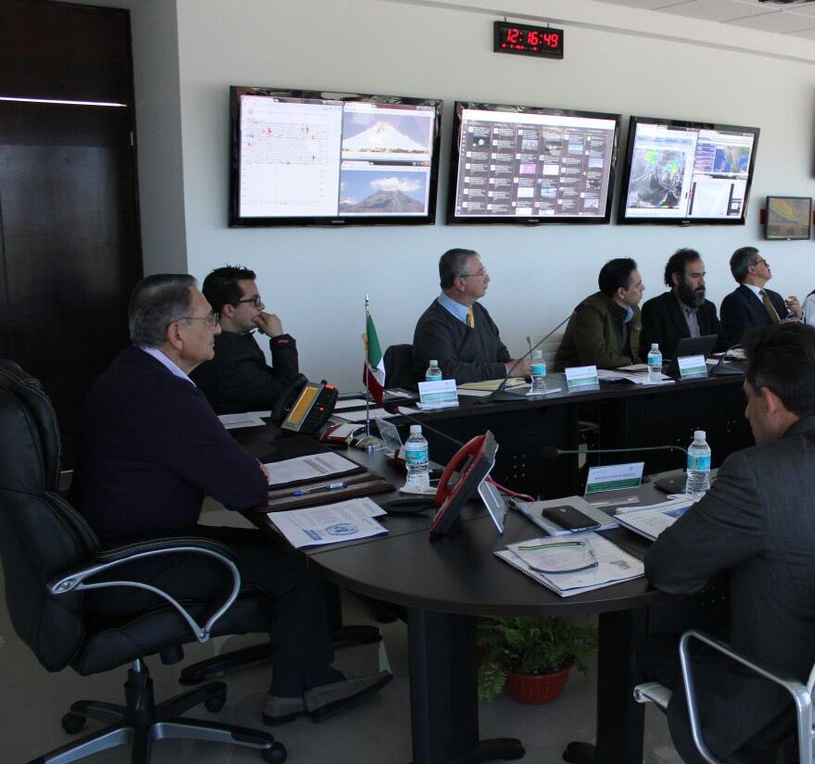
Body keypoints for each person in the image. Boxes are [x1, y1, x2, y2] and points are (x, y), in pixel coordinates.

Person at [69, 274, 391, 726]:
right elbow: (245, 489)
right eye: (208, 320)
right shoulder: (166, 394)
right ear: (176, 333)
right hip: (140, 560)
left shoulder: (132, 371)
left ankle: (302, 667)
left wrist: (233, 466)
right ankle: (303, 688)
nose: (217, 329)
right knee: (296, 563)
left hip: (117, 544)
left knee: (280, 547)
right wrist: (242, 469)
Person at [644, 322, 815, 764]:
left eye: (748, 399)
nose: (746, 414)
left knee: (644, 640)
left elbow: (667, 569)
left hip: (780, 700)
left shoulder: (756, 472)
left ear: (770, 400)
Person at [190, 265, 299, 414]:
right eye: (255, 300)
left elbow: (272, 380)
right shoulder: (229, 357)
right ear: (229, 310)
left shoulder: (232, 340)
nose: (262, 306)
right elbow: (287, 395)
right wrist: (279, 339)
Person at [411, 249, 530, 383]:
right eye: (481, 273)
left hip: (490, 392)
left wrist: (519, 367)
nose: (487, 279)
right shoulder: (433, 324)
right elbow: (448, 373)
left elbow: (499, 353)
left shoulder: (478, 310)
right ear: (460, 283)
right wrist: (506, 369)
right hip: (457, 396)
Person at [555, 257, 645, 369]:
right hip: (580, 376)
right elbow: (596, 359)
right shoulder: (589, 312)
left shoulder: (634, 310)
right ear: (621, 292)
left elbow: (635, 352)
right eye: (638, 285)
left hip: (618, 373)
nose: (643, 288)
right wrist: (631, 363)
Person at [638, 248, 722, 360]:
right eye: (695, 276)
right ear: (676, 278)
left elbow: (720, 346)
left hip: (708, 369)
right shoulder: (655, 308)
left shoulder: (708, 308)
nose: (702, 282)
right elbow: (651, 355)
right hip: (672, 370)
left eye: (703, 275)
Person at [719, 247, 800, 346]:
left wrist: (797, 314)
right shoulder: (733, 301)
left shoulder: (775, 296)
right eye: (764, 262)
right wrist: (776, 328)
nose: (768, 265)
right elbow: (742, 337)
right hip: (758, 353)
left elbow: (788, 326)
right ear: (752, 269)